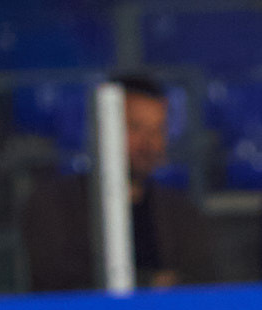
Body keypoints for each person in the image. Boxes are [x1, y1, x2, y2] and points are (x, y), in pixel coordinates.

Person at [21, 74, 212, 292]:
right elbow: (57, 283)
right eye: (136, 128)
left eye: (157, 130)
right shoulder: (53, 205)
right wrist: (150, 283)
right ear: (103, 129)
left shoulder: (181, 212)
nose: (149, 144)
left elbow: (203, 282)